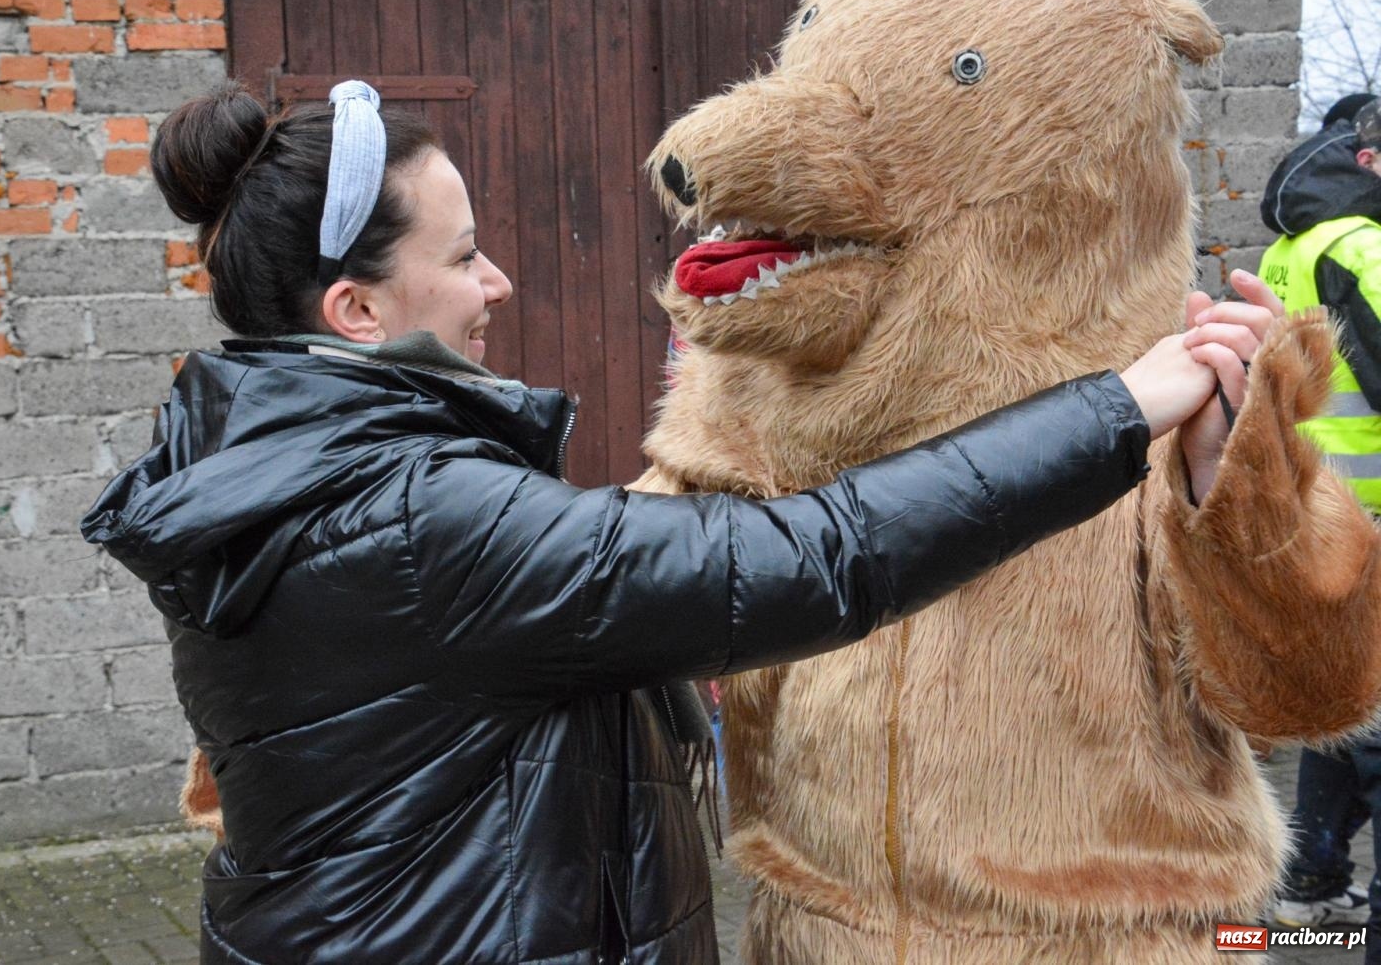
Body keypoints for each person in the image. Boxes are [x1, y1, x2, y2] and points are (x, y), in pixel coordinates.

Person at [82, 80, 1276, 964]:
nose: (497, 282)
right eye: (465, 254)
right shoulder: (410, 517)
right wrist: (1120, 405)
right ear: (355, 308)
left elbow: (582, 585)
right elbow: (810, 561)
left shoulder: (267, 464)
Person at [1260, 96, 1381, 937]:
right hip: (1372, 519)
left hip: (1316, 514)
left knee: (1345, 716)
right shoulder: (1363, 247)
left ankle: (1309, 882)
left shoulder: (1289, 248)